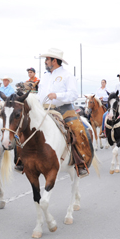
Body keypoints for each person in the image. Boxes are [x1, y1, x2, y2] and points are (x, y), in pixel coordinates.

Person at [37, 48, 91, 177]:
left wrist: (57, 95)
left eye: (47, 59)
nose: (45, 62)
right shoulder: (44, 77)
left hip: (64, 109)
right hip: (45, 109)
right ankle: (23, 159)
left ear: (54, 61)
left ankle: (80, 162)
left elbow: (73, 95)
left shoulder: (67, 75)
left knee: (77, 129)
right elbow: (40, 95)